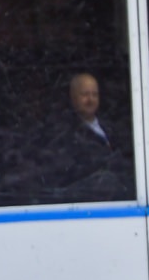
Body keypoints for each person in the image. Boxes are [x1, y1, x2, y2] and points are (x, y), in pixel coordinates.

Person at [40, 72, 133, 202]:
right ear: (73, 97)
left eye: (95, 95)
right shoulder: (64, 133)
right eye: (85, 95)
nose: (91, 99)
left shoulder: (111, 128)